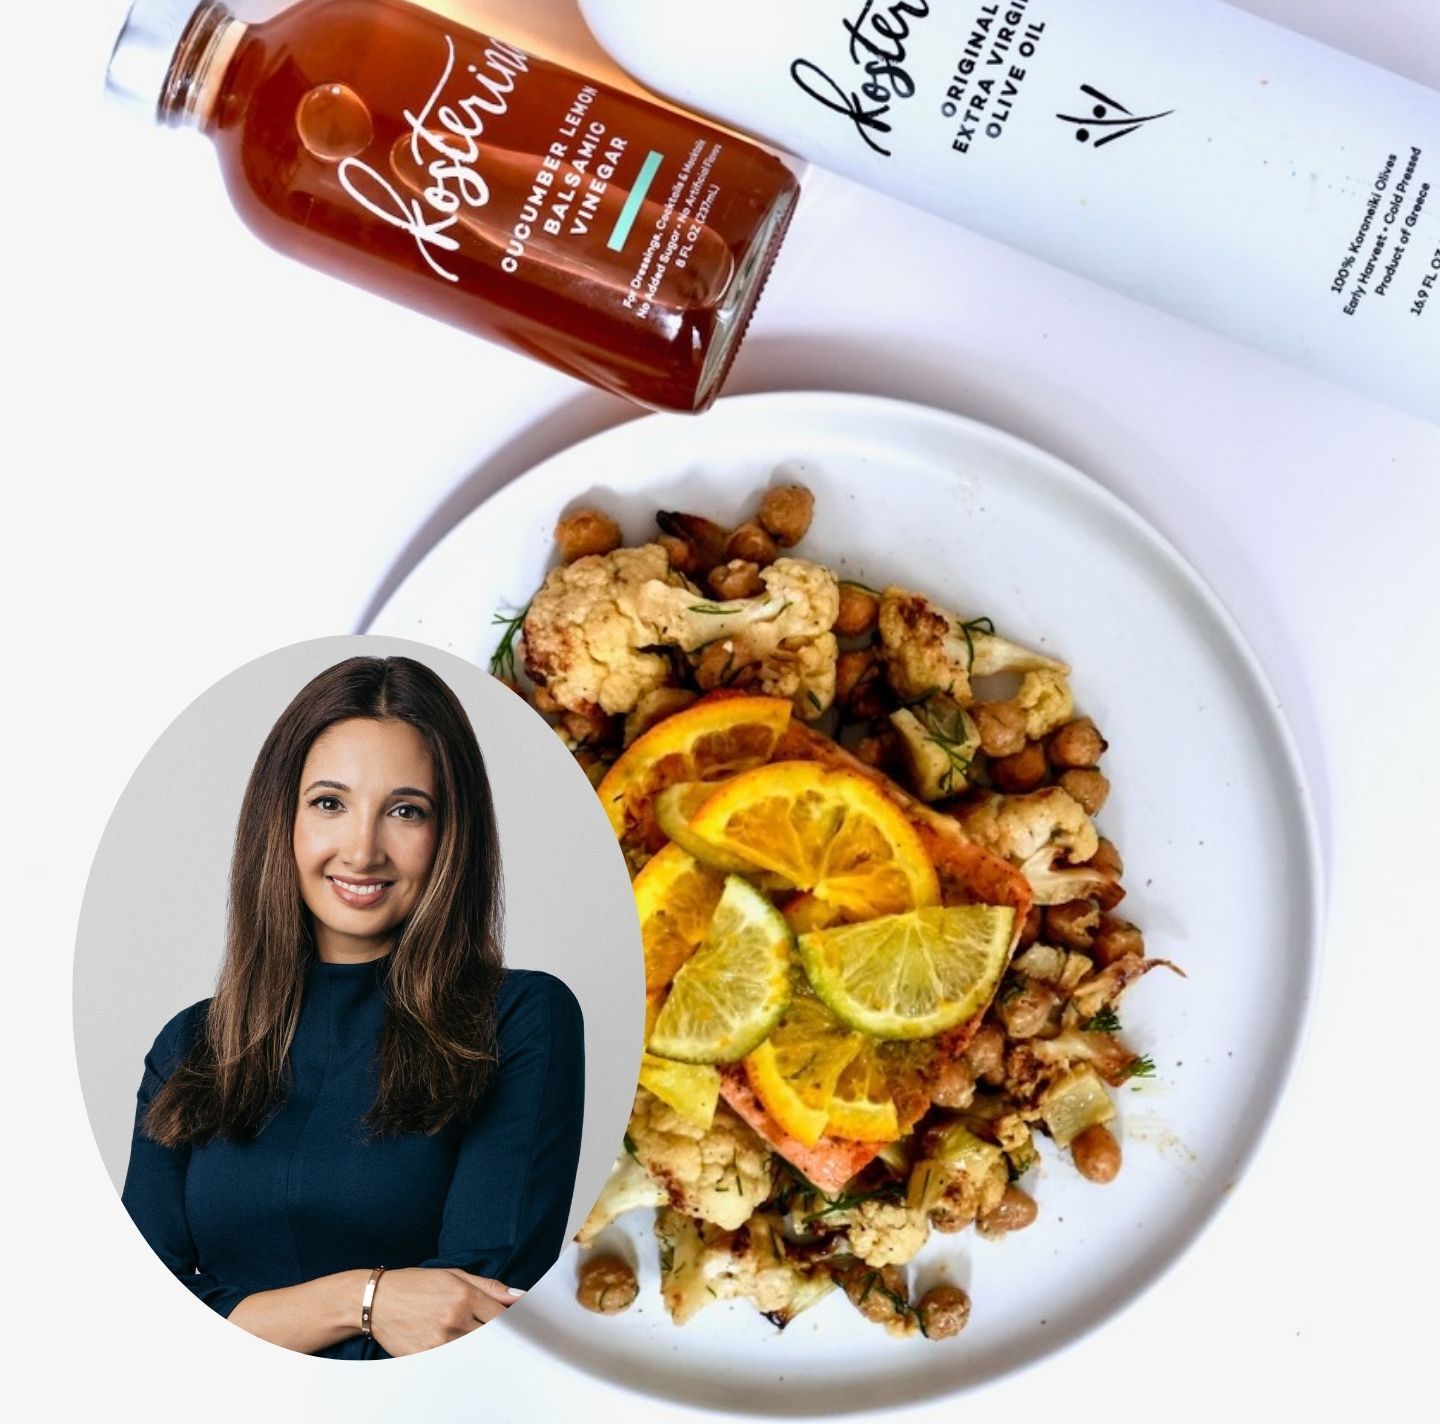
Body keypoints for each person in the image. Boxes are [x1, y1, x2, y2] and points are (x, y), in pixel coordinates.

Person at [121, 655, 585, 1358]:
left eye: (405, 810)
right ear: (282, 820)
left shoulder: (522, 1019)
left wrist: (235, 1322)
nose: (362, 850)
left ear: (451, 835)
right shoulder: (191, 1044)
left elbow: (467, 1325)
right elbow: (135, 1317)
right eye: (330, 803)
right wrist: (367, 1300)